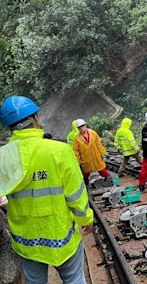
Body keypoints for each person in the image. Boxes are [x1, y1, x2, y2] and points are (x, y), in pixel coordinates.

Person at [0, 96, 93, 284]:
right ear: (35, 118)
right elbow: (76, 195)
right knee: (75, 279)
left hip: (26, 240)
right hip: (61, 236)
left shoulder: (3, 157)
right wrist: (86, 219)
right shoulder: (59, 151)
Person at [73, 119, 111, 185]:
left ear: (85, 125)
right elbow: (76, 151)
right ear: (78, 129)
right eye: (80, 127)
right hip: (86, 159)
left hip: (96, 157)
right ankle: (86, 184)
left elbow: (99, 144)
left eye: (83, 126)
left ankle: (109, 181)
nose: (82, 128)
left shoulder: (93, 133)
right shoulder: (77, 139)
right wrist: (77, 161)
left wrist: (103, 153)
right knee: (85, 173)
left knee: (102, 170)